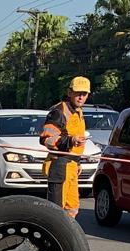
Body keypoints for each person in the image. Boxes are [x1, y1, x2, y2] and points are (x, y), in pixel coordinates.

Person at [40, 76, 91, 218]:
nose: (81, 97)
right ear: (69, 93)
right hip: (60, 164)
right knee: (56, 211)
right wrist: (70, 141)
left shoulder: (78, 112)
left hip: (72, 165)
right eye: (78, 93)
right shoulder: (59, 111)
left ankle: (66, 238)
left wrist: (78, 161)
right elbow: (46, 139)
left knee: (72, 208)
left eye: (84, 94)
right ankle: (51, 239)